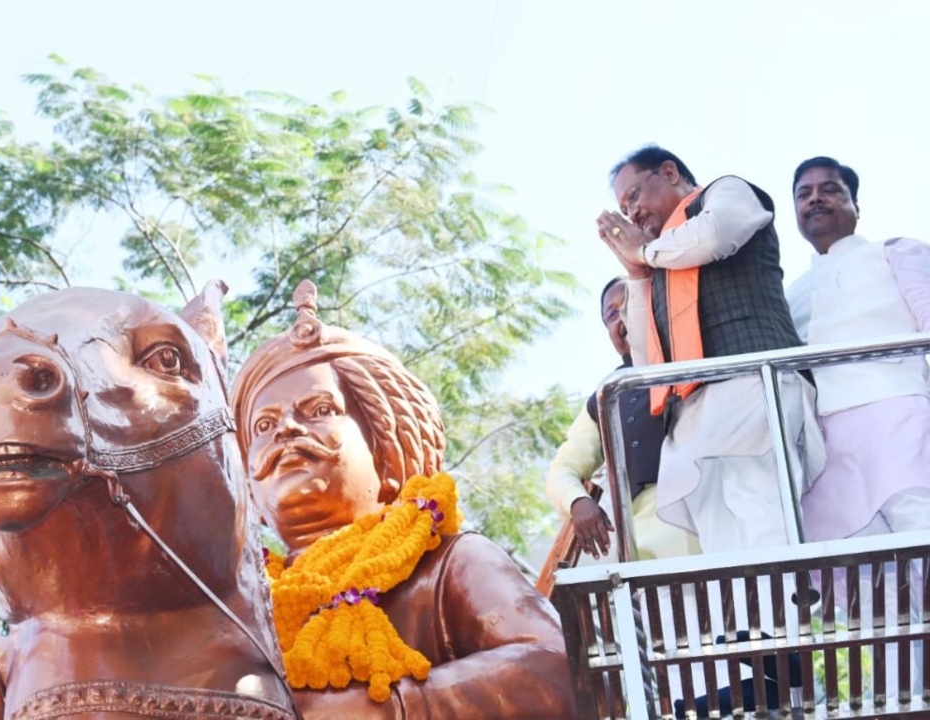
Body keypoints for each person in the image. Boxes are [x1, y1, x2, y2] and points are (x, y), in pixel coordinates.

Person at [230, 280, 576, 719]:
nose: (285, 431)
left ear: (387, 446)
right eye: (262, 426)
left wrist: (382, 708)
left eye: (318, 410)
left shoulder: (448, 561)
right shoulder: (240, 609)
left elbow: (555, 666)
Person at [596, 145, 824, 554]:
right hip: (690, 414)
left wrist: (643, 253)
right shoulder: (658, 260)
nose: (631, 213)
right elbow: (646, 364)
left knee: (760, 504)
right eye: (622, 207)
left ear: (668, 172)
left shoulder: (726, 192)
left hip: (754, 381)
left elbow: (716, 234)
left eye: (633, 197)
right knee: (719, 536)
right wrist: (636, 273)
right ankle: (749, 619)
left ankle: (784, 613)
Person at [786, 156, 930, 701]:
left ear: (854, 203)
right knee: (878, 591)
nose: (816, 199)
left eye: (830, 189)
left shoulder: (895, 253)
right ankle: (898, 703)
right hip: (831, 445)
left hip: (901, 413)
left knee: (923, 554)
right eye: (805, 193)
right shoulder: (791, 293)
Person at [545, 276, 701, 560]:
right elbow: (561, 470)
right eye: (612, 313)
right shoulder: (607, 396)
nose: (624, 318)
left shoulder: (696, 358)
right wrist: (578, 501)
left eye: (632, 304)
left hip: (712, 527)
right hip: (647, 549)